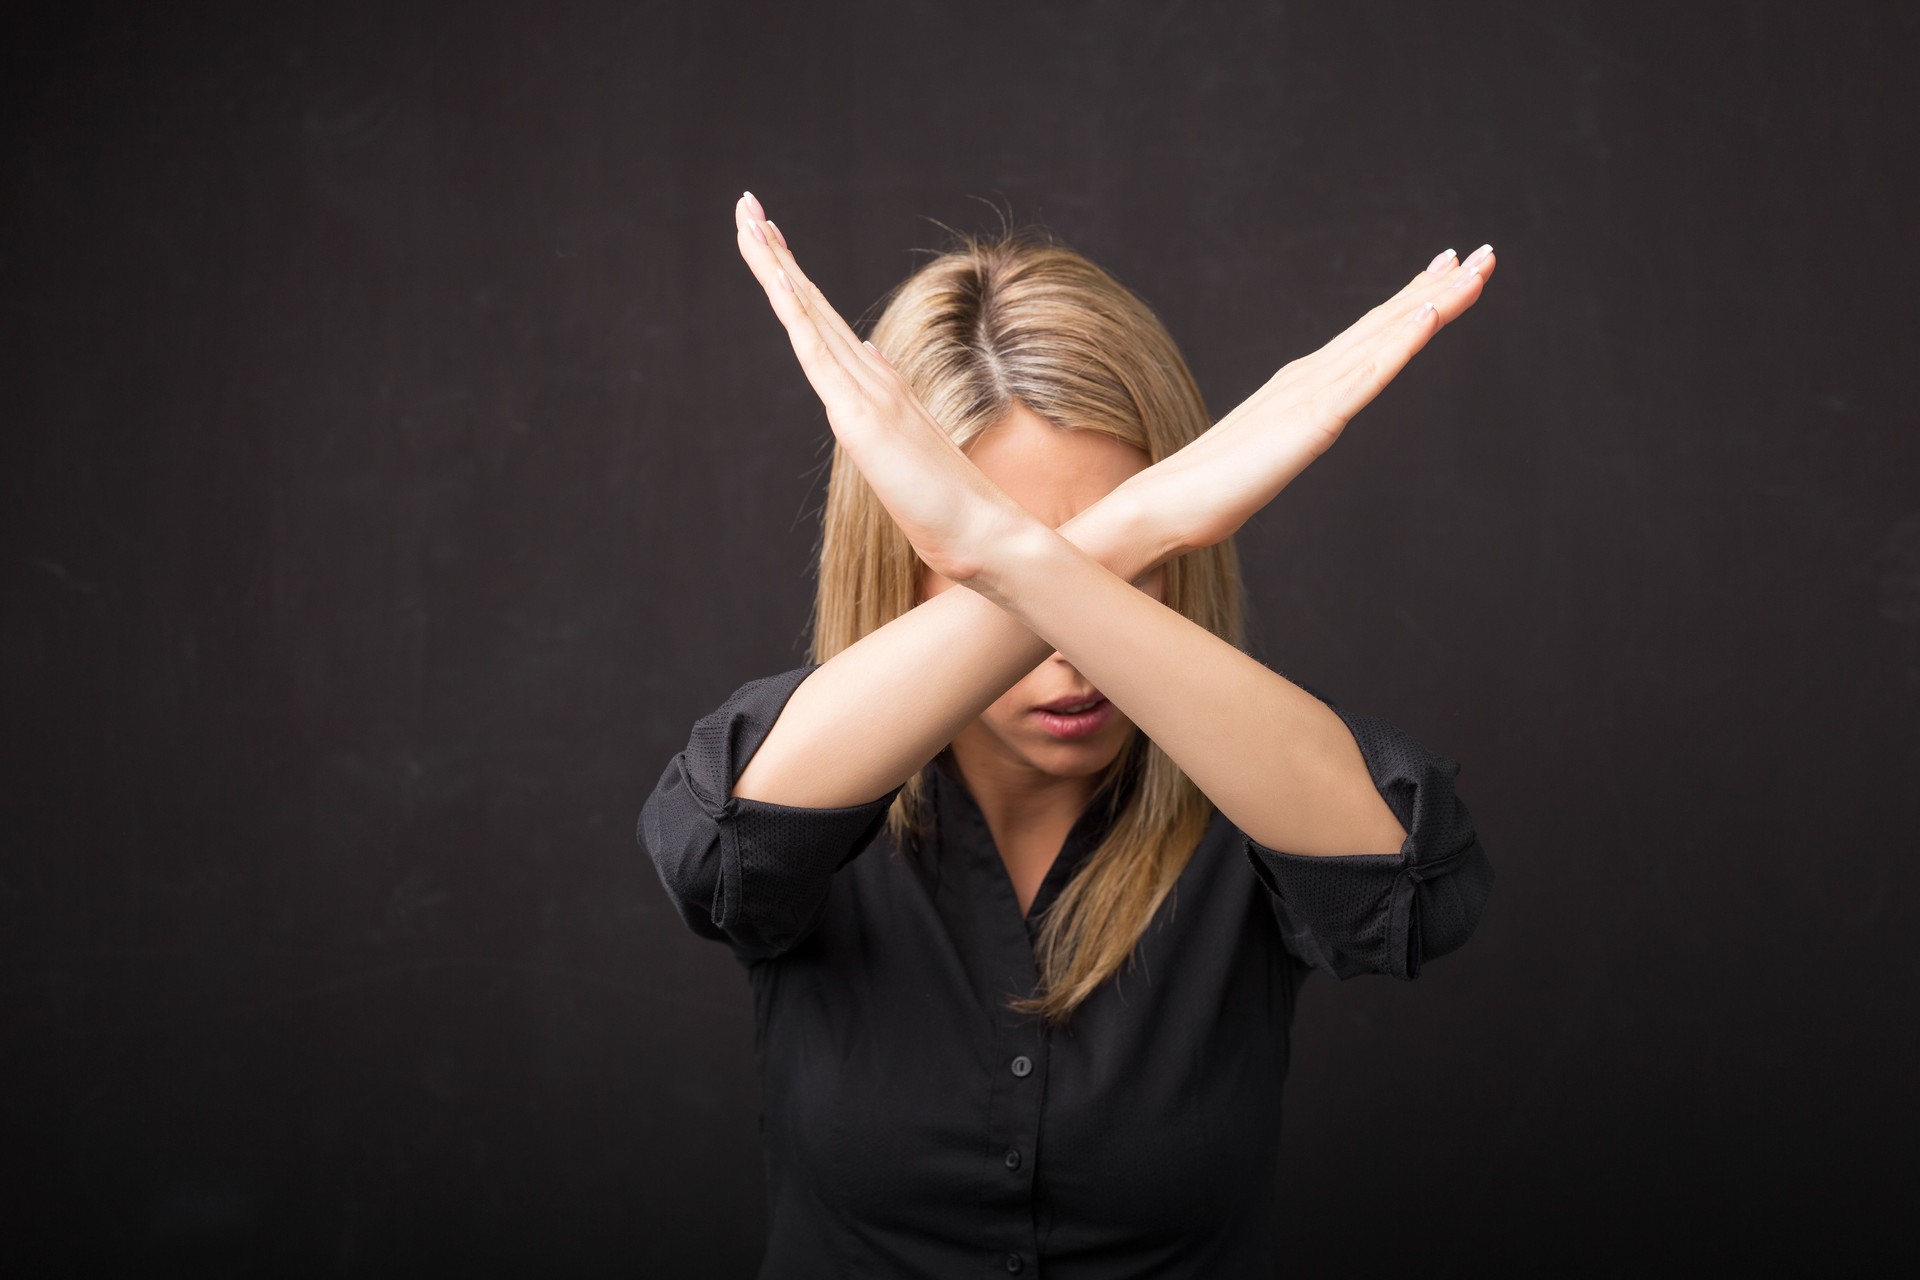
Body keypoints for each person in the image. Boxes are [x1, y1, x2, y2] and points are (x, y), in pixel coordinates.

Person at [639, 190, 1498, 1278]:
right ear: (892, 556)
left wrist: (1014, 554)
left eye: (1131, 555)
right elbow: (712, 847)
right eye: (979, 561)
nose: (1071, 655)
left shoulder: (1254, 784)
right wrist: (1130, 524)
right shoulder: (814, 772)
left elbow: (1413, 889)